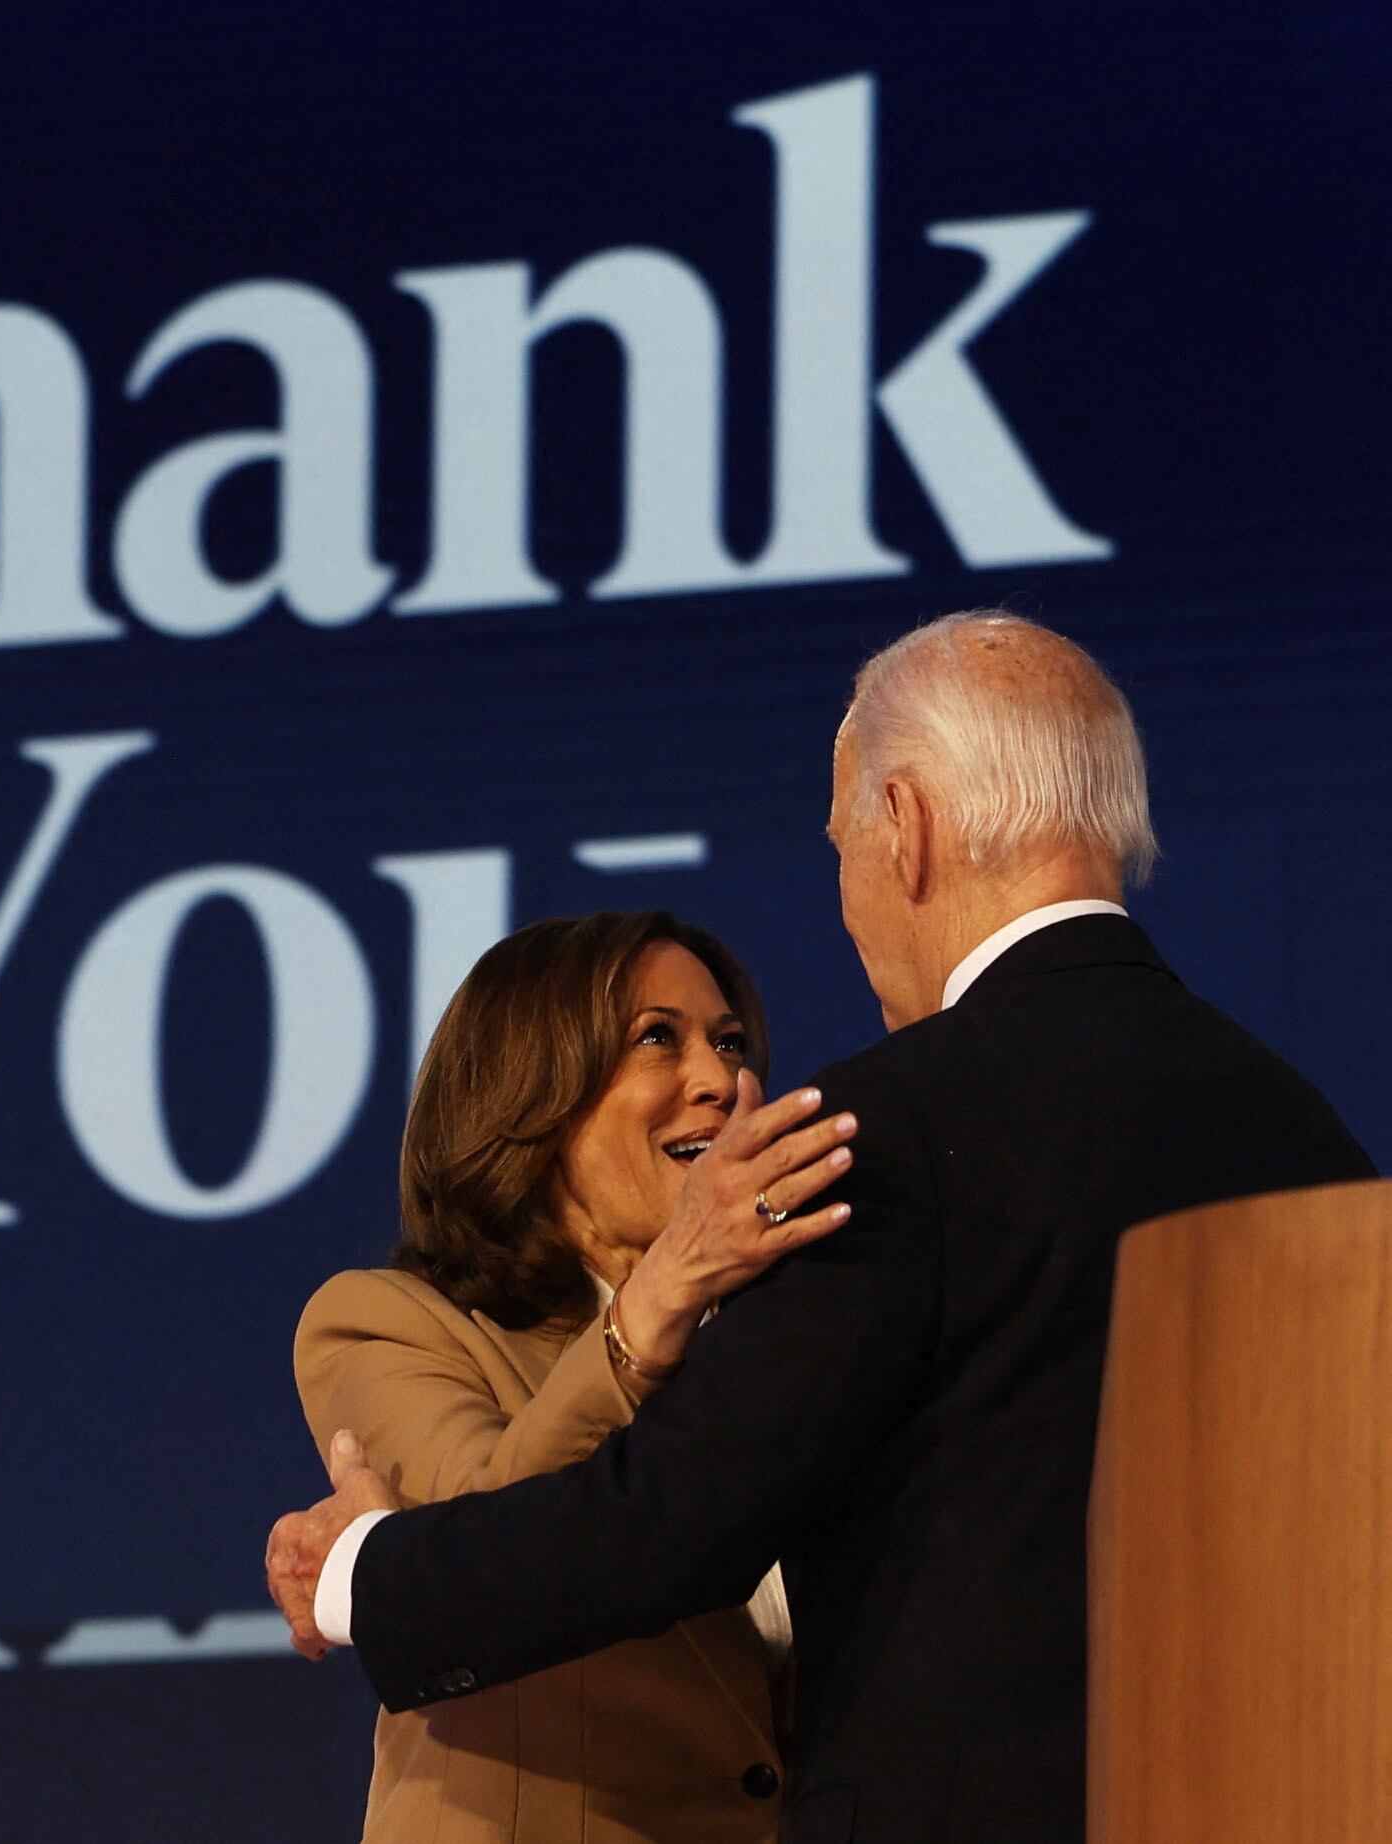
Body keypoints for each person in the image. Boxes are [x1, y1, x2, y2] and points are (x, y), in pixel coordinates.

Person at [265, 612, 1376, 1844]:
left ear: (906, 828)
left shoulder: (880, 1133)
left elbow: (663, 1526)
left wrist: (362, 1574)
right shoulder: (1302, 1132)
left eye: (844, 841)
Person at [297, 909, 858, 1843]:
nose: (719, 1080)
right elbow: (484, 1567)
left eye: (728, 1043)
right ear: (534, 1094)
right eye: (657, 1040)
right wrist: (663, 1293)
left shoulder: (785, 1345)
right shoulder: (385, 1324)